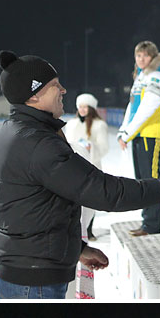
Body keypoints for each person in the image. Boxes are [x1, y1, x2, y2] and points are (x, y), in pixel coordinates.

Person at [0, 48, 160, 299]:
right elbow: (106, 192)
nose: (63, 90)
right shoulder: (38, 144)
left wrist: (78, 249)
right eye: (54, 85)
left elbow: (33, 214)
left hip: (28, 270)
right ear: (34, 95)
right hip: (35, 280)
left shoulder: (12, 132)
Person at [118, 41, 160, 238]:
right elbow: (132, 106)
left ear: (153, 57)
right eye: (138, 56)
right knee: (142, 180)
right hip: (139, 133)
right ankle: (146, 221)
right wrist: (123, 131)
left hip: (151, 134)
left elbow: (148, 107)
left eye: (145, 56)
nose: (141, 59)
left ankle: (152, 224)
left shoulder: (158, 74)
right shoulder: (141, 76)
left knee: (151, 180)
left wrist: (128, 133)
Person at [64, 94, 109, 241]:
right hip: (74, 166)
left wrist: (92, 148)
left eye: (85, 107)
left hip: (92, 165)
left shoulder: (99, 125)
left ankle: (89, 229)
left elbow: (104, 147)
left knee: (90, 198)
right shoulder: (71, 124)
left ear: (91, 108)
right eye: (80, 107)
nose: (82, 110)